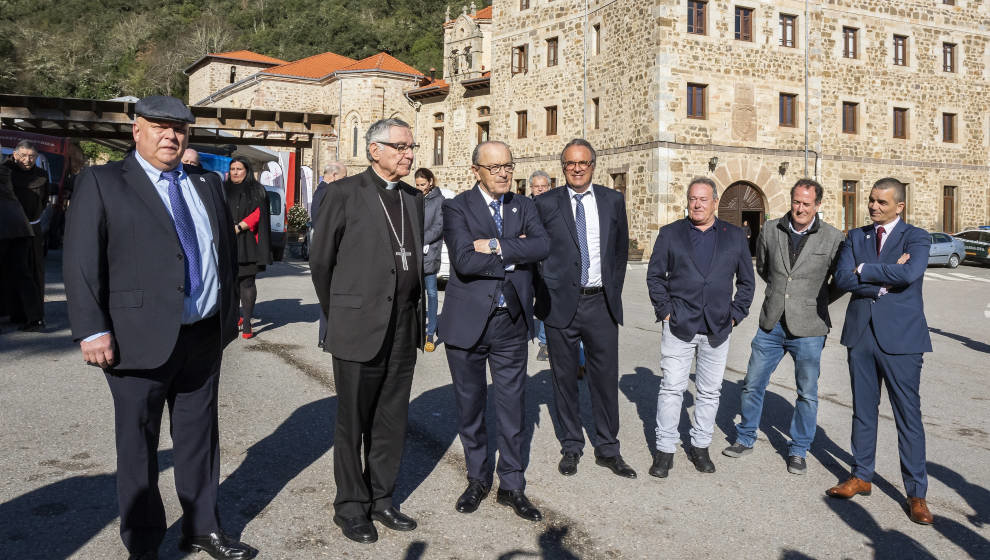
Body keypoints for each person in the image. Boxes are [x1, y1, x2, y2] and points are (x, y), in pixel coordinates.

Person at [62, 95, 255, 559]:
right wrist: (91, 329)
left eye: (180, 129)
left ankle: (202, 527)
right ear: (137, 130)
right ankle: (144, 544)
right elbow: (81, 260)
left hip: (203, 335)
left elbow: (219, 255)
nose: (171, 136)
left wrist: (226, 319)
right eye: (160, 127)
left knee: (199, 440)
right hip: (135, 340)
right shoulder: (103, 181)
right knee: (137, 446)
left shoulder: (206, 183)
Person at [309, 118, 424, 544]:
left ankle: (383, 498)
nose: (408, 154)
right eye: (400, 147)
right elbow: (321, 262)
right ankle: (352, 507)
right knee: (353, 419)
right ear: (375, 150)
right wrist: (339, 311)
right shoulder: (343, 193)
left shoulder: (413, 197)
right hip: (358, 324)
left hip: (403, 324)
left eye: (412, 147)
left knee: (392, 418)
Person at [438, 140, 549, 521]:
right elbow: (465, 261)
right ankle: (477, 479)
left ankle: (512, 485)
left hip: (511, 323)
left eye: (508, 165)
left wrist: (498, 245)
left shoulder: (524, 205)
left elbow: (542, 245)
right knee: (470, 408)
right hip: (467, 323)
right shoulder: (457, 207)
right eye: (495, 167)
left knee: (513, 409)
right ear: (477, 172)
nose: (504, 172)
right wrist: (516, 253)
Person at [826, 177, 934, 525]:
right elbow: (841, 280)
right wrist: (882, 283)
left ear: (899, 206)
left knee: (908, 417)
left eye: (881, 203)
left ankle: (916, 494)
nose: (873, 206)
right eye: (871, 200)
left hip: (902, 340)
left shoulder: (916, 237)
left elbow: (911, 272)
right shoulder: (856, 236)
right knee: (862, 410)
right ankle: (861, 476)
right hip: (861, 336)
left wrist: (865, 269)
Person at [722, 179, 843, 475]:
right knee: (753, 383)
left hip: (810, 327)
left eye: (806, 204)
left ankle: (799, 449)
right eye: (796, 202)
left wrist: (814, 301)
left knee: (807, 393)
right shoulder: (770, 229)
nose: (800, 208)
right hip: (772, 323)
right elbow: (764, 268)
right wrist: (782, 296)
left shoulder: (833, 237)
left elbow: (838, 281)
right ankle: (745, 437)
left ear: (817, 206)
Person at [534, 139, 634, 479]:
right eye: (571, 164)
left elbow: (620, 252)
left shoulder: (612, 200)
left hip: (600, 303)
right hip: (561, 304)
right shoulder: (545, 203)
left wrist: (612, 291)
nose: (578, 168)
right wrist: (544, 292)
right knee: (563, 379)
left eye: (584, 163)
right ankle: (572, 445)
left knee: (605, 379)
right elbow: (536, 252)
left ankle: (608, 448)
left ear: (594, 164)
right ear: (563, 168)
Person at [646, 176, 754, 478]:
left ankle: (700, 446)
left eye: (703, 199)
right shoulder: (670, 234)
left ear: (715, 202)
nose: (697, 204)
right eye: (693, 198)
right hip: (679, 325)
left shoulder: (734, 236)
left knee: (709, 392)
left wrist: (735, 315)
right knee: (671, 389)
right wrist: (665, 312)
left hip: (718, 328)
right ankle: (665, 450)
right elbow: (655, 277)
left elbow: (747, 282)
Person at [224, 157, 271, 339]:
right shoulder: (222, 188)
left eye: (239, 168)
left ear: (247, 170)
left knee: (247, 282)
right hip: (228, 242)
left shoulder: (257, 189)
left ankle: (248, 320)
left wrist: (241, 226)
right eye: (233, 168)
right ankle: (235, 316)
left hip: (248, 242)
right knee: (231, 283)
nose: (235, 172)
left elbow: (259, 213)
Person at [5, 140, 50, 331]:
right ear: (15, 155)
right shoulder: (4, 171)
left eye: (31, 156)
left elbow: (45, 200)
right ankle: (11, 312)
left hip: (30, 230)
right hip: (5, 229)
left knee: (29, 273)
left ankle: (32, 317)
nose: (27, 160)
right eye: (23, 155)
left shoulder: (41, 175)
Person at [309, 162, 346, 347]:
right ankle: (326, 335)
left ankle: (325, 335)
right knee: (328, 294)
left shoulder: (322, 190)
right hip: (327, 250)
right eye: (343, 178)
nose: (345, 182)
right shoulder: (326, 192)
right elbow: (320, 221)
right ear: (333, 176)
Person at [0, 161, 41, 331]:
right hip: (20, 225)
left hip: (4, 226)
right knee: (22, 272)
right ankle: (34, 318)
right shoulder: (4, 171)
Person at [414, 167, 444, 352]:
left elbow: (438, 226)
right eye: (417, 184)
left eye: (423, 184)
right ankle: (416, 330)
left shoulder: (440, 201)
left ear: (431, 182)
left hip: (429, 253)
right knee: (415, 295)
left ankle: (430, 333)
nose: (420, 188)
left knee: (431, 293)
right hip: (414, 253)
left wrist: (420, 240)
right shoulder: (415, 198)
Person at [528, 170, 551, 361]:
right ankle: (520, 331)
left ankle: (544, 342)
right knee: (524, 298)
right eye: (537, 186)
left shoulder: (556, 207)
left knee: (545, 298)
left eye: (544, 186)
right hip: (528, 262)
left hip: (548, 262)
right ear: (531, 188)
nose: (541, 189)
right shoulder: (525, 206)